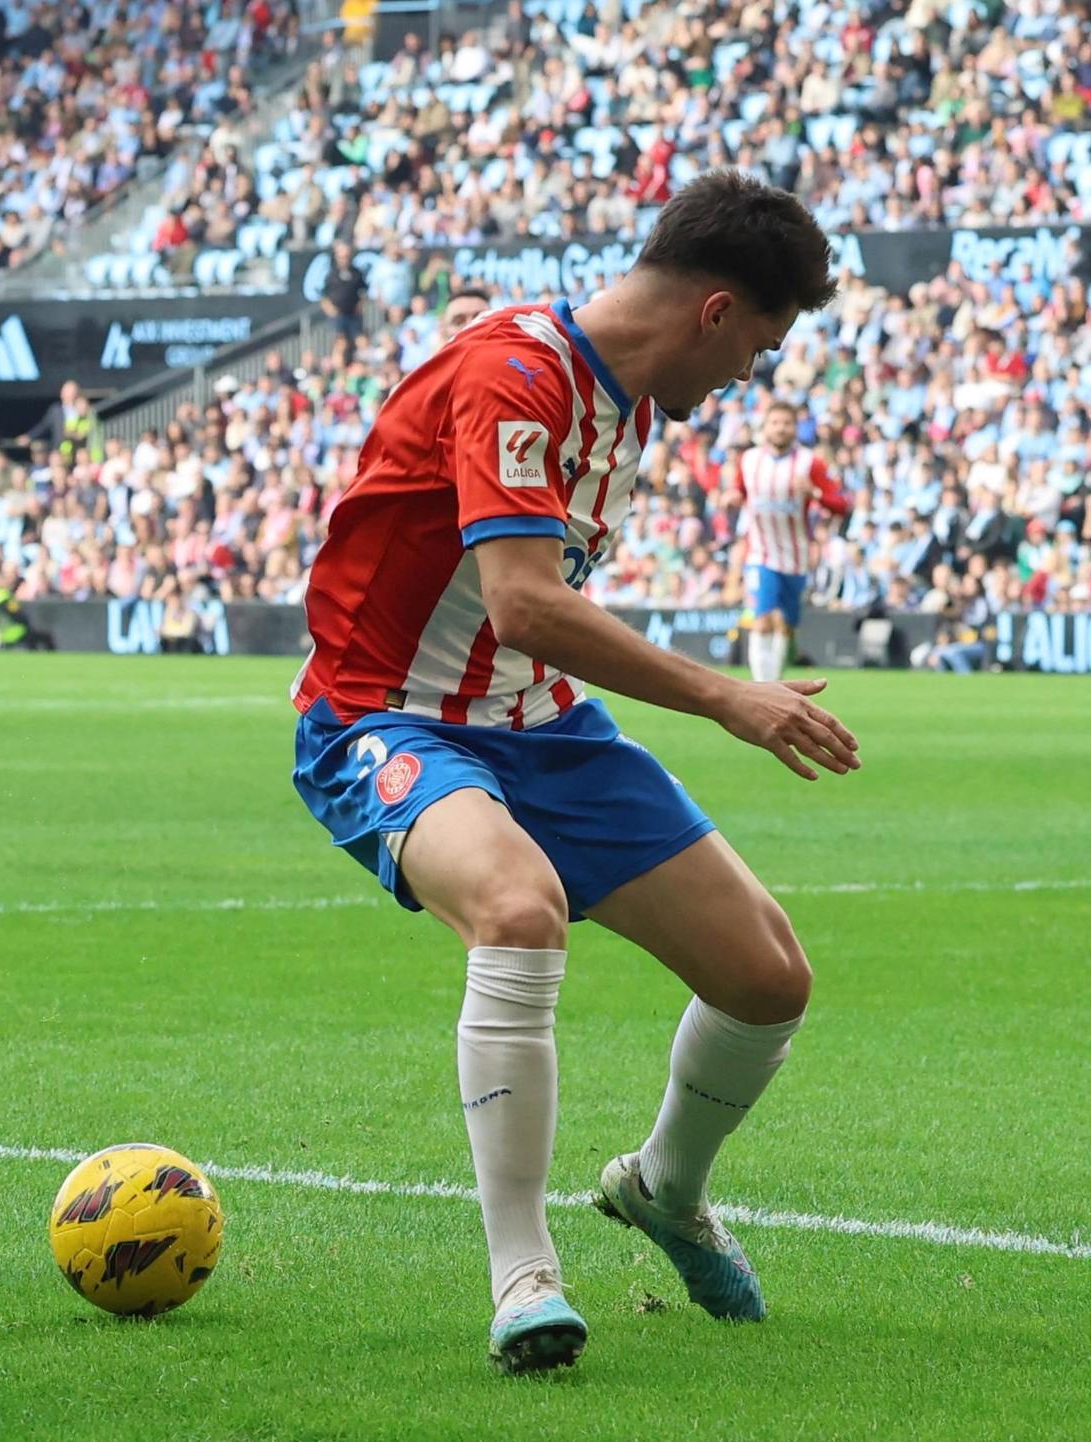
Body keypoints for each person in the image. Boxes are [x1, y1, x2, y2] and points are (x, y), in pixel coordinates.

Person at [288, 172, 859, 1375]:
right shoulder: (515, 374)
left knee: (765, 980)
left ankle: (660, 1189)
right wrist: (726, 697)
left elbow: (526, 634)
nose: (745, 379)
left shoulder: (627, 395)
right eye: (752, 349)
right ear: (710, 312)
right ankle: (522, 1279)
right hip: (383, 717)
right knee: (514, 906)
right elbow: (524, 604)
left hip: (535, 723)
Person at [728, 401, 849, 681]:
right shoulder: (749, 460)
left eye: (786, 423)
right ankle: (762, 687)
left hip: (796, 557)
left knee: (785, 625)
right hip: (760, 552)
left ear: (795, 428)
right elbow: (739, 490)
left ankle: (776, 684)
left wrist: (815, 493)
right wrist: (732, 497)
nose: (780, 428)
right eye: (775, 423)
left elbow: (841, 504)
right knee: (762, 620)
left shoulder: (810, 463)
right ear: (765, 427)